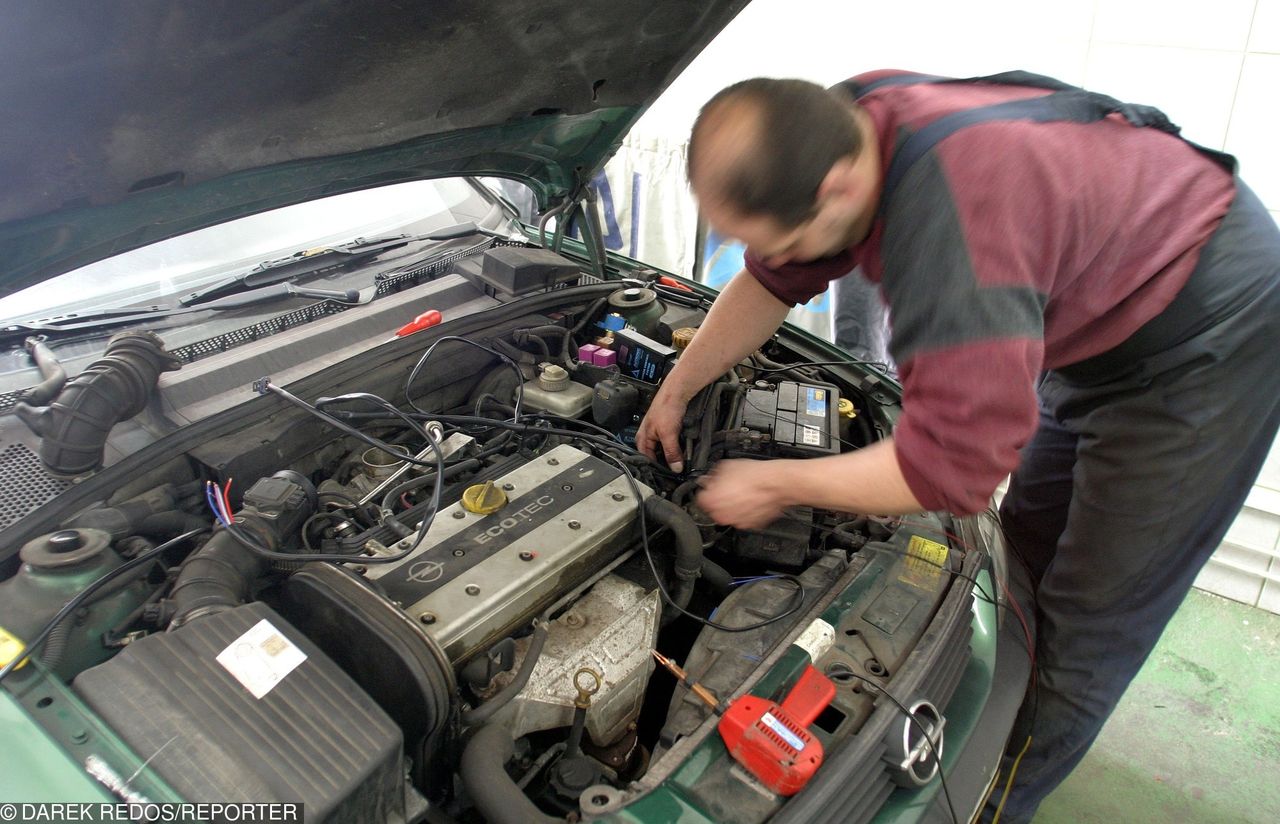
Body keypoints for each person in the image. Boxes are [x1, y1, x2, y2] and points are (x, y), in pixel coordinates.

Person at [635, 71, 1280, 822]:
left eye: (771, 236)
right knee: (1024, 563)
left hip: (1206, 340)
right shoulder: (841, 125)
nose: (762, 251)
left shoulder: (949, 226)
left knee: (1085, 621)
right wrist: (677, 386)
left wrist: (777, 485)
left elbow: (954, 471)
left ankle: (989, 801)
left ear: (840, 191)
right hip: (1103, 294)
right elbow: (771, 281)